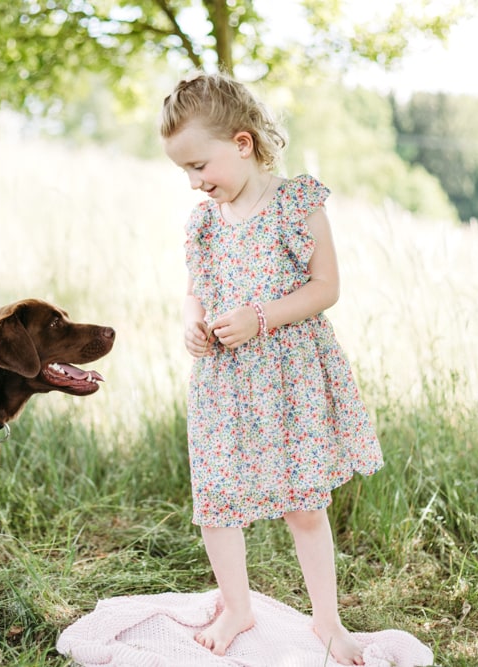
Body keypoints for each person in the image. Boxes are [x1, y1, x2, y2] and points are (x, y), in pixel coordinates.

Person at [159, 72, 384, 666]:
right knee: (216, 499)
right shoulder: (204, 225)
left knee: (304, 505)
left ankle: (328, 622)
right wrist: (193, 321)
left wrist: (261, 318)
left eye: (199, 165)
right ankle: (237, 606)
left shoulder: (295, 203)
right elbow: (194, 292)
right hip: (224, 383)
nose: (193, 183)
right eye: (182, 171)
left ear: (242, 143)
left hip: (291, 377)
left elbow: (326, 287)